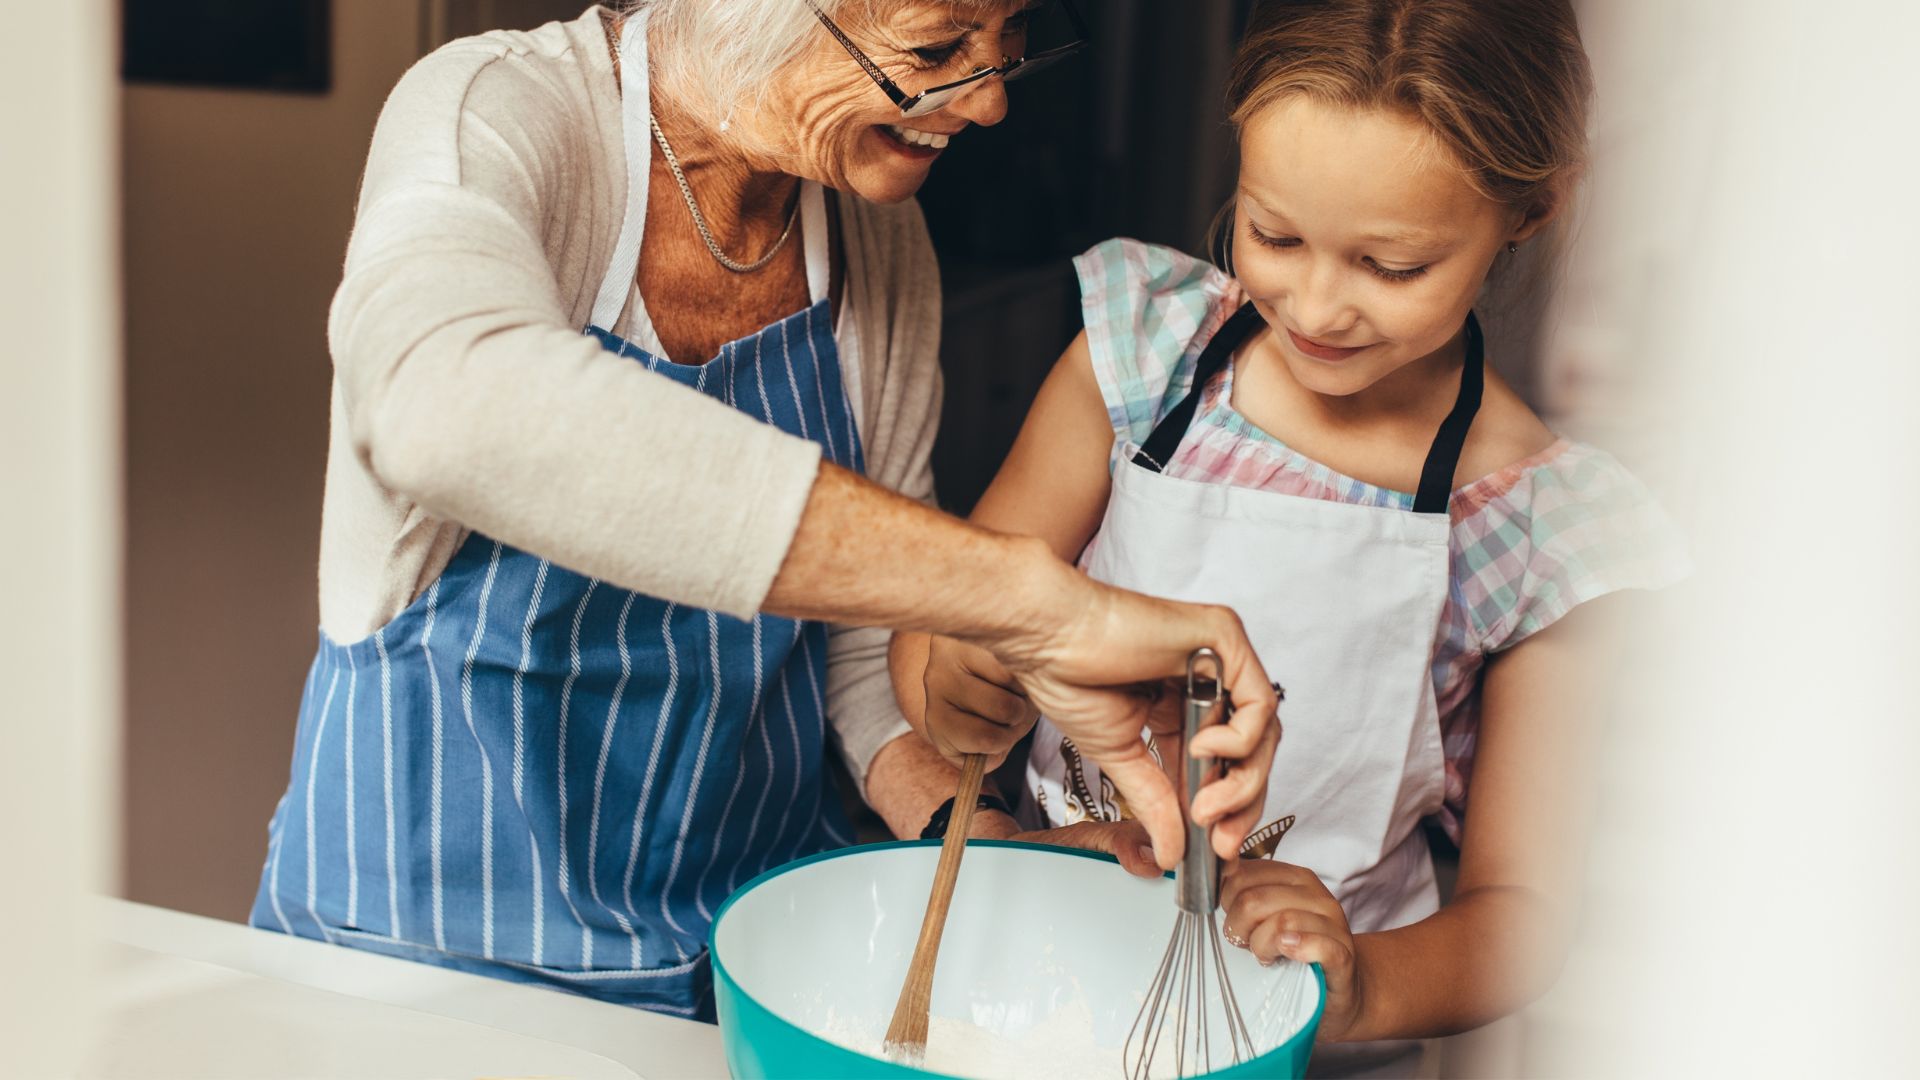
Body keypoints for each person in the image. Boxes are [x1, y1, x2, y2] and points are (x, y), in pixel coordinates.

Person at [250, 0, 1279, 1021]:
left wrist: (979, 844)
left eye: (1008, 40)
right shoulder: (500, 114)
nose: (991, 102)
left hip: (744, 954)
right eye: (935, 48)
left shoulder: (880, 245)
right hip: (418, 973)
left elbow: (860, 654)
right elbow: (441, 402)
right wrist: (1029, 601)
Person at [892, 0, 1688, 1069]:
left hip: (1315, 1053)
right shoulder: (1145, 354)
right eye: (1273, 234)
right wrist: (950, 680)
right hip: (1043, 983)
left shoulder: (1542, 526)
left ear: (1529, 211)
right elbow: (948, 625)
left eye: (1391, 266)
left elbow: (1522, 914)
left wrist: (1356, 988)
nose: (1314, 305)